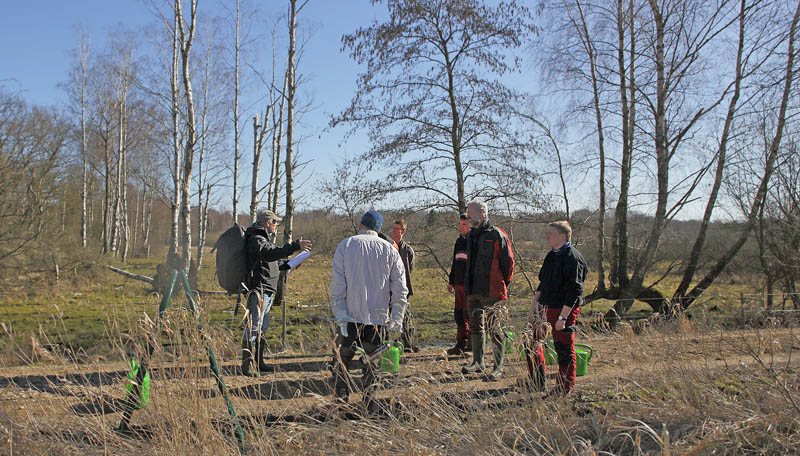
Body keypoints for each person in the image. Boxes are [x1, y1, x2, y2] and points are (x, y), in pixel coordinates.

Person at [330, 210, 408, 403]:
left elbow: (338, 287)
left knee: (343, 360)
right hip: (378, 318)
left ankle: (341, 400)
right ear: (379, 229)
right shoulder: (390, 249)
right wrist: (397, 318)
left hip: (349, 316)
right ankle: (369, 400)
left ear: (362, 225)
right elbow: (400, 289)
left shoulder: (346, 245)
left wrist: (340, 315)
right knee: (372, 362)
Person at [241, 209, 312, 376]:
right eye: (275, 222)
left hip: (267, 291)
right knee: (253, 327)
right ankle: (247, 366)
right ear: (267, 223)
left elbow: (276, 263)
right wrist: (294, 246)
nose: (276, 225)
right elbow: (270, 254)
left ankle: (258, 362)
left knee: (261, 327)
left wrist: (293, 263)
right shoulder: (256, 240)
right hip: (258, 290)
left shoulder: (264, 240)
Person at [527, 221, 587, 396]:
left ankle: (564, 387)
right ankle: (537, 381)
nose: (547, 237)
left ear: (562, 236)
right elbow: (543, 283)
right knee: (531, 343)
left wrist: (562, 318)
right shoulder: (551, 256)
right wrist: (534, 306)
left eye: (550, 234)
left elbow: (575, 291)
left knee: (563, 347)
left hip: (563, 309)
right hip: (545, 306)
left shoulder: (573, 258)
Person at [461, 200, 515, 381]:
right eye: (467, 214)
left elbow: (508, 263)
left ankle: (498, 367)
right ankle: (478, 362)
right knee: (475, 326)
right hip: (473, 289)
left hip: (493, 289)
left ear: (482, 214)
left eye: (470, 214)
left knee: (495, 328)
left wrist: (503, 284)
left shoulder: (497, 235)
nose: (467, 217)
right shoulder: (470, 235)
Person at [446, 214, 472, 356]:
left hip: (469, 285)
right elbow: (455, 264)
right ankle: (460, 342)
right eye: (460, 224)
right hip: (458, 283)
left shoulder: (473, 241)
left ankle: (470, 344)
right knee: (459, 314)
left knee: (468, 314)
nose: (461, 227)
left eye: (464, 225)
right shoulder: (459, 241)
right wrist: (451, 281)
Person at [392, 219, 417, 352]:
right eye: (393, 228)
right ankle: (391, 344)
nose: (394, 231)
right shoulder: (387, 247)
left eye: (397, 229)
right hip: (388, 289)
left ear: (403, 231)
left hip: (404, 290)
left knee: (406, 318)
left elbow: (410, 269)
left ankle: (408, 344)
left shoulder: (408, 250)